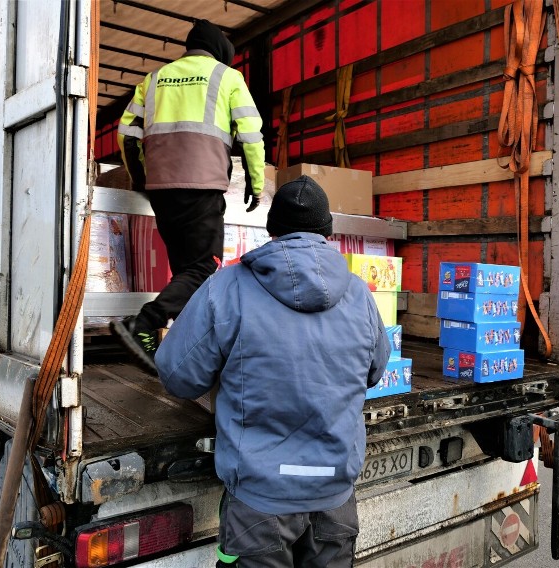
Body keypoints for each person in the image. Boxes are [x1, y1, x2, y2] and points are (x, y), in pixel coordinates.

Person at [154, 175, 391, 568]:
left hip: (258, 506)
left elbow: (178, 375)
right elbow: (375, 371)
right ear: (327, 232)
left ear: (272, 230)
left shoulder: (226, 287)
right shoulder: (359, 294)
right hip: (335, 498)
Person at [111, 19, 265, 373]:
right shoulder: (227, 77)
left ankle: (185, 350)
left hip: (162, 190)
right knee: (204, 269)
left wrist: (139, 178)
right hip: (202, 187)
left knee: (185, 272)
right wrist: (256, 184)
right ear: (222, 52)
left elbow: (125, 135)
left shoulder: (153, 80)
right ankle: (144, 324)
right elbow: (252, 135)